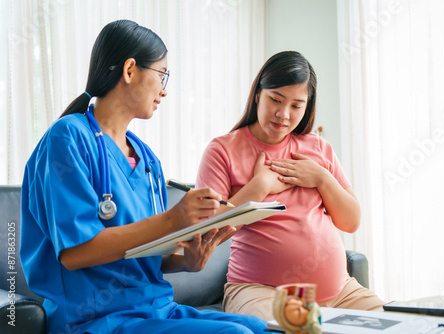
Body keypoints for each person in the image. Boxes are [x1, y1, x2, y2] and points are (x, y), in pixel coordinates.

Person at [20, 19, 267, 334]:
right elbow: (75, 253)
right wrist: (173, 220)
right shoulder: (67, 138)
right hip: (94, 319)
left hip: (155, 309)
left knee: (260, 328)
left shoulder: (146, 158)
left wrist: (186, 261)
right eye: (162, 75)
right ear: (130, 70)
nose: (164, 90)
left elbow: (146, 252)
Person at [196, 51, 385, 321]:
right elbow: (206, 233)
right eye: (276, 99)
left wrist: (322, 178)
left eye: (297, 105)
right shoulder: (222, 150)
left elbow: (351, 221)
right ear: (258, 94)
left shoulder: (318, 148)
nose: (283, 114)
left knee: (409, 326)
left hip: (341, 291)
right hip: (259, 290)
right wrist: (258, 187)